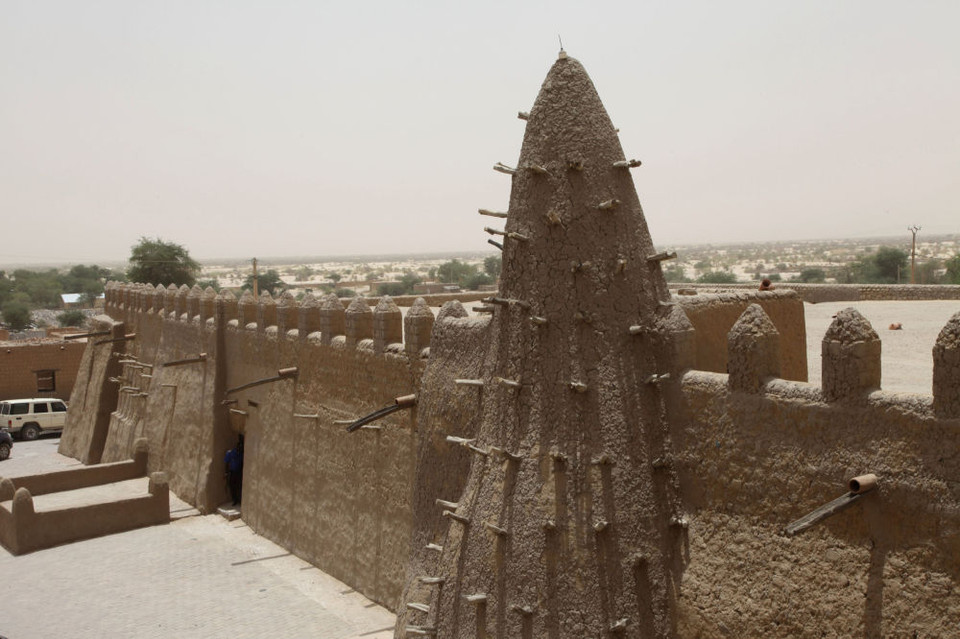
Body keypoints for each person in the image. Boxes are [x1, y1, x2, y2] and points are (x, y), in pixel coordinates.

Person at [224, 437, 244, 506]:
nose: (240, 449)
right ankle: (234, 499)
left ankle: (238, 499)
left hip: (238, 472)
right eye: (239, 447)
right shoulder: (230, 453)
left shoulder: (241, 455)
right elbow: (226, 463)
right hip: (232, 472)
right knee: (232, 486)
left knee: (238, 485)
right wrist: (226, 472)